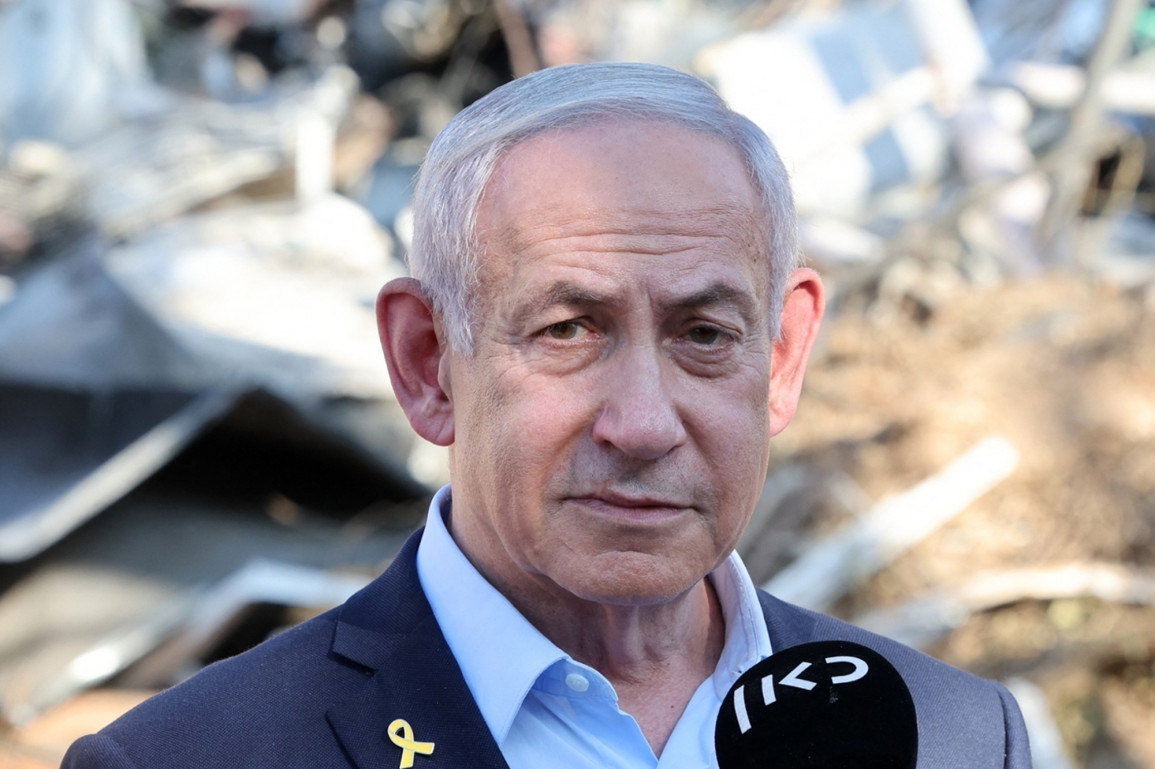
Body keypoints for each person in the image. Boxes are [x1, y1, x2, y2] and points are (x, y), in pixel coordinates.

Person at [63, 62, 1031, 769]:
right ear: (428, 363)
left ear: (781, 357)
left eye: (704, 334)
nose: (643, 424)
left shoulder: (952, 738)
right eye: (568, 330)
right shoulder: (193, 757)